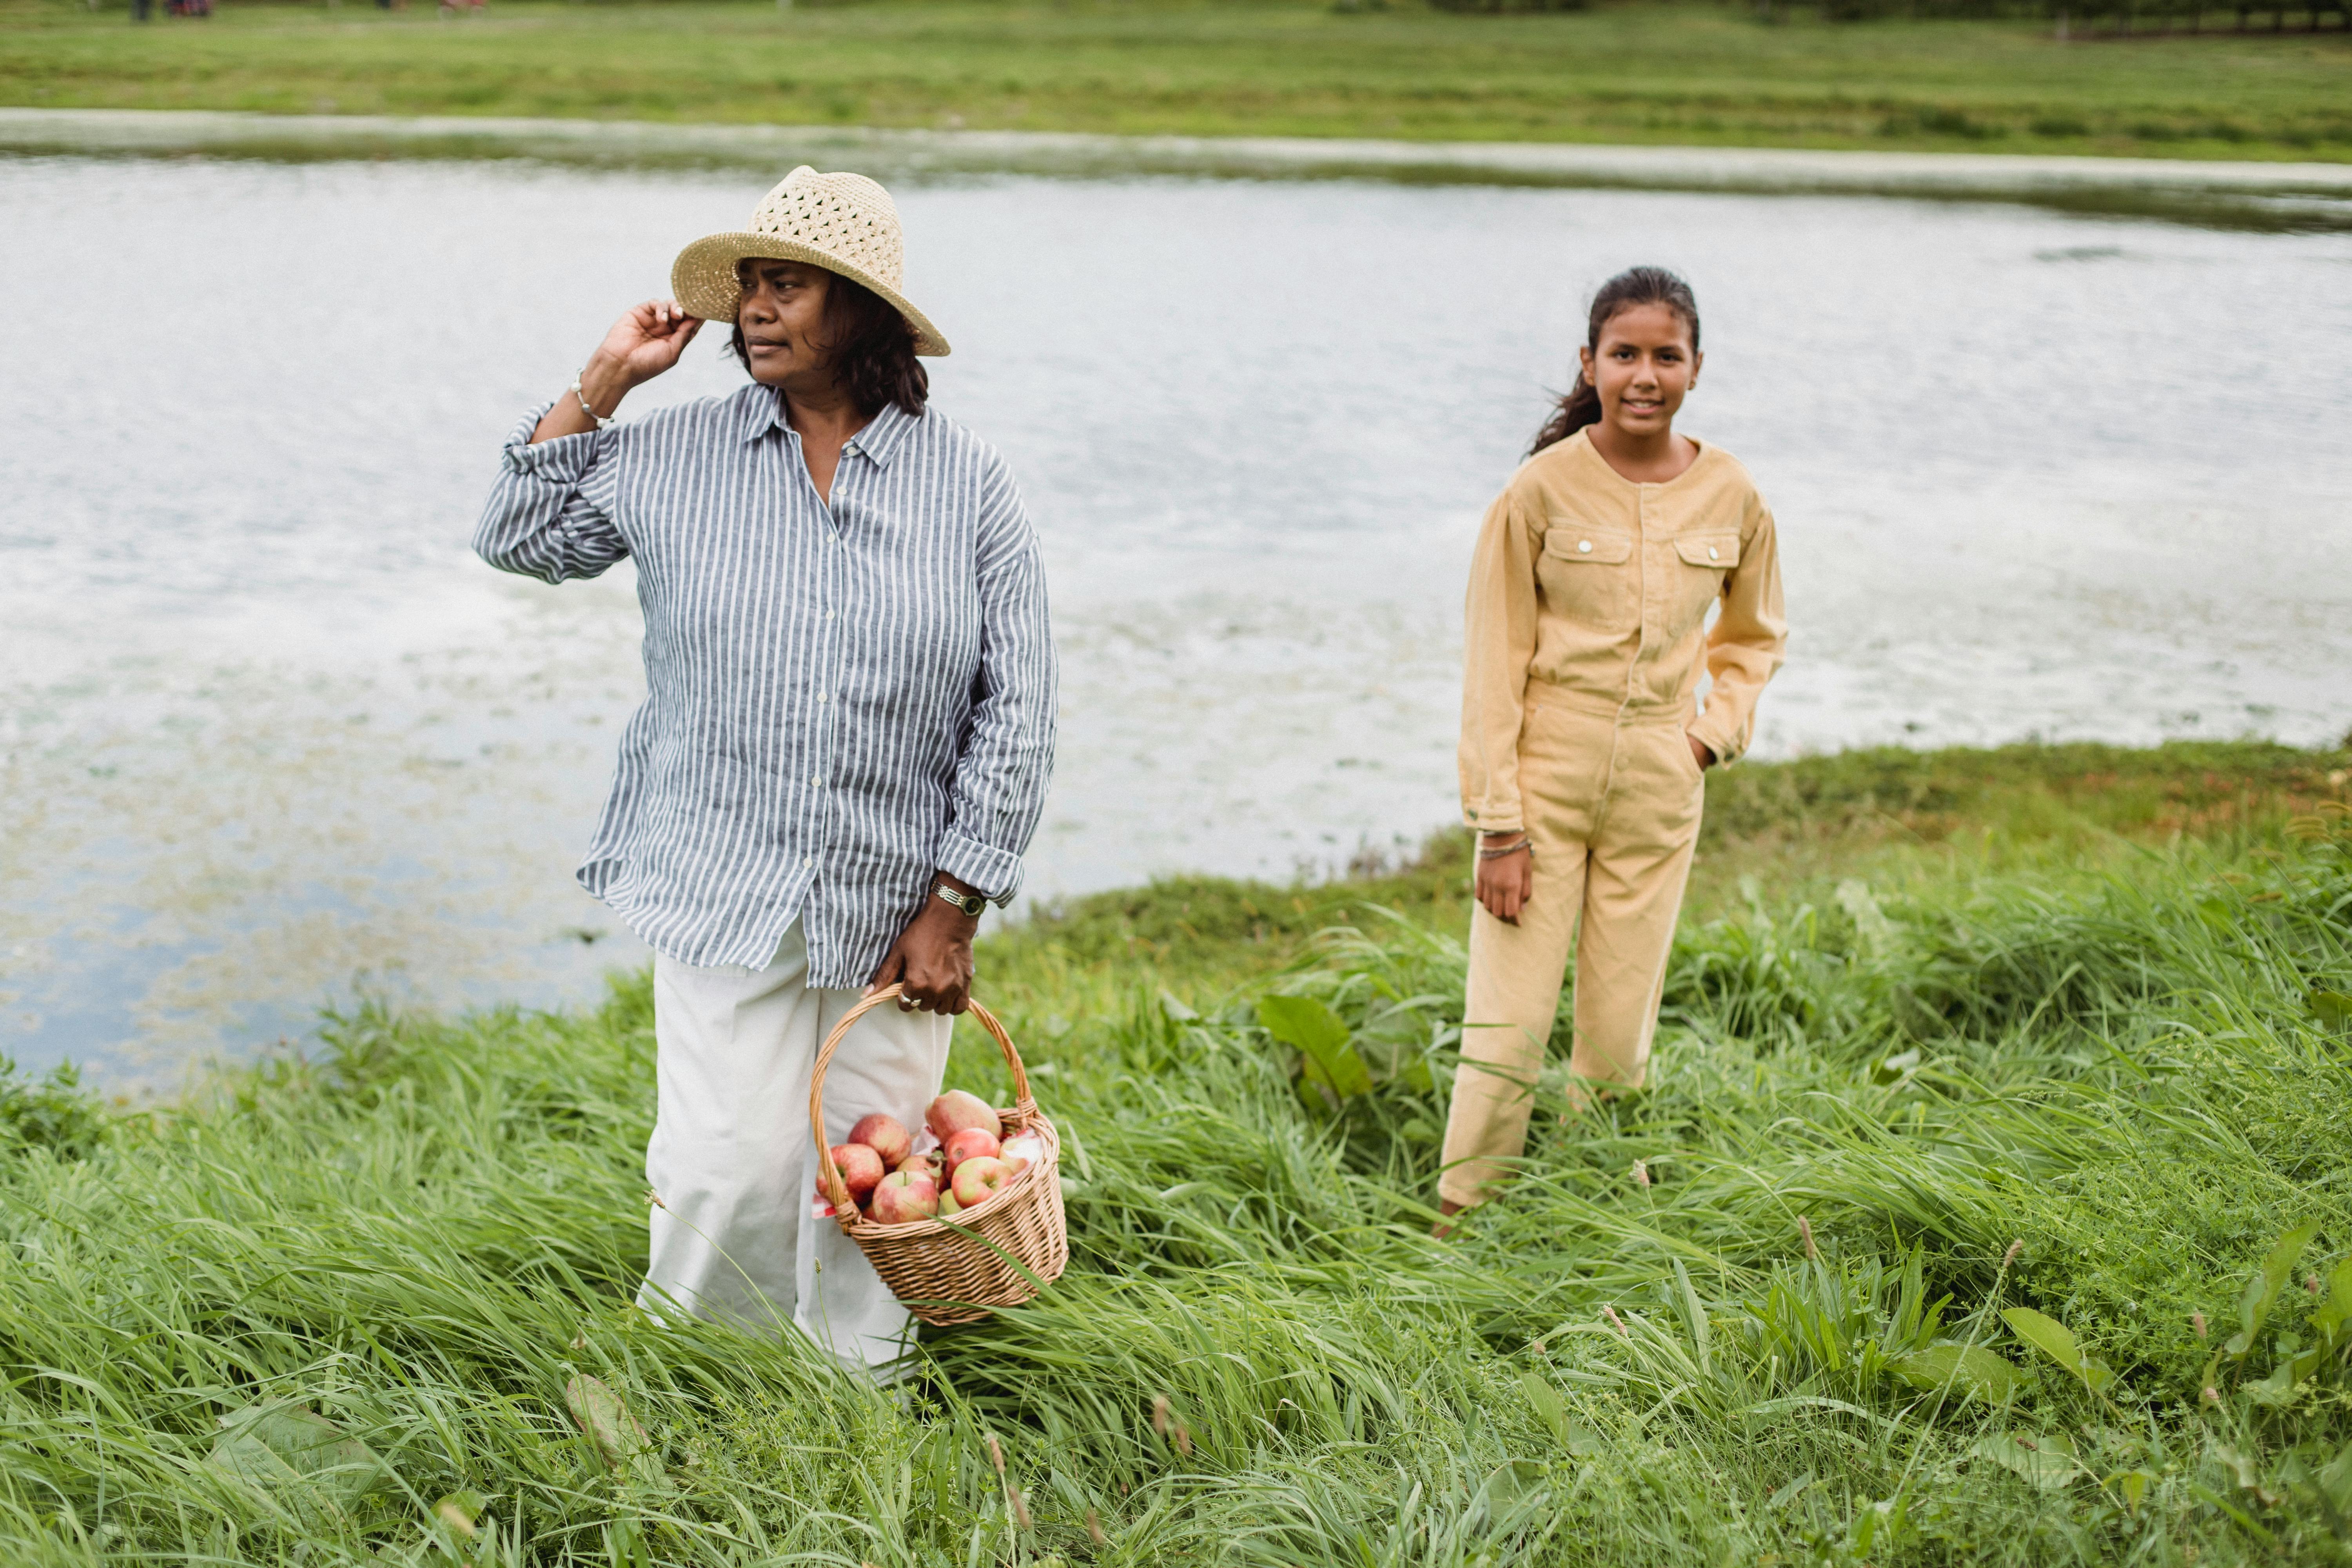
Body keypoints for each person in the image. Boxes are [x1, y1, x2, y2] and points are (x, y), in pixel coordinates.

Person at [474, 167, 1057, 1370]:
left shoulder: (970, 486)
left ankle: (857, 1408)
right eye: (748, 285)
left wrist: (956, 902)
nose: (754, 308)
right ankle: (702, 1392)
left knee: (873, 1165)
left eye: (785, 285)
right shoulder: (674, 454)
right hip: (717, 872)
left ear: (859, 308)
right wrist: (606, 383)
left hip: (894, 901)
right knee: (722, 1168)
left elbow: (1020, 707)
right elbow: (519, 537)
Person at [1437, 266, 1785, 1221]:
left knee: (1619, 1033)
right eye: (1623, 354)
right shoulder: (1538, 492)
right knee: (1508, 1028)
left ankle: (1600, 1214)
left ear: (1697, 368)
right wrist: (1498, 824)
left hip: (1659, 785)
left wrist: (1709, 739)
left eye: (1664, 355)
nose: (1644, 374)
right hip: (1543, 785)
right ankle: (1463, 1219)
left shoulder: (1734, 493)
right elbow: (1493, 663)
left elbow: (1755, 639)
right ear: (1588, 363)